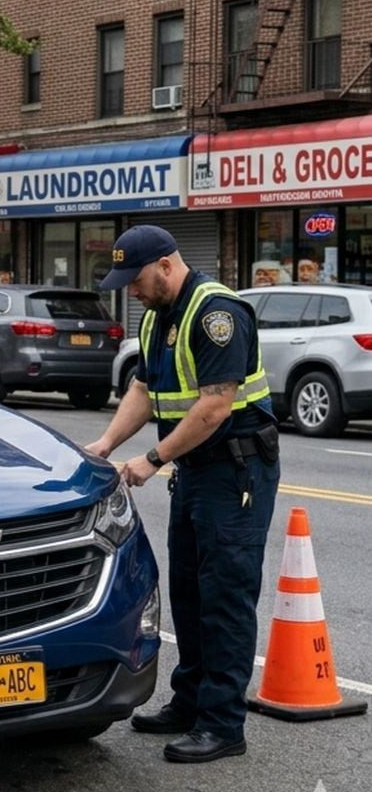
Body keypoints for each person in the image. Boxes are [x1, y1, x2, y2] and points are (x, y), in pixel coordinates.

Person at [83, 225, 280, 764]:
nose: (133, 291)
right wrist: (105, 444)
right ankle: (190, 701)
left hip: (234, 472)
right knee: (190, 591)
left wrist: (151, 458)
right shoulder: (155, 318)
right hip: (195, 472)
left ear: (167, 265)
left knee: (225, 596)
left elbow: (215, 406)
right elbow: (144, 391)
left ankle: (222, 722)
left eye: (138, 279)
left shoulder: (217, 314)